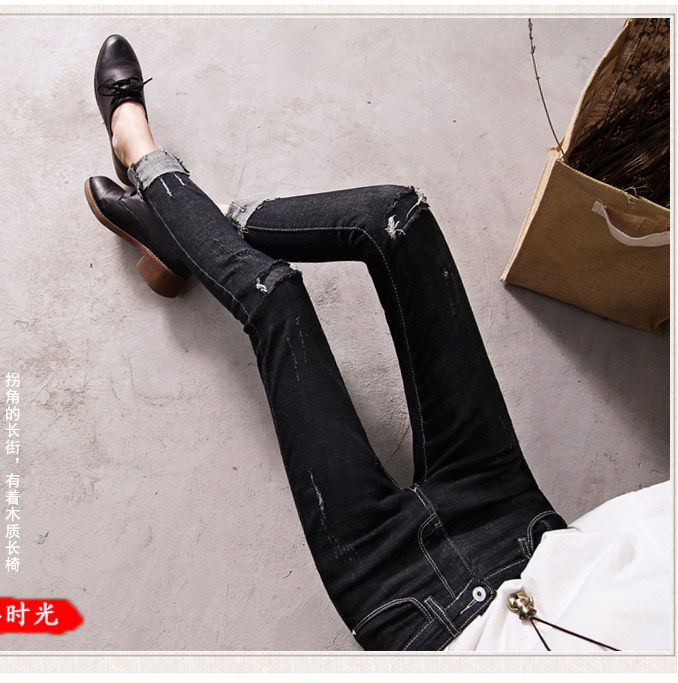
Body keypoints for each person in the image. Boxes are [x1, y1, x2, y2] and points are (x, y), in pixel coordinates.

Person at [85, 35, 670, 652]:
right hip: (511, 515)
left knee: (274, 298)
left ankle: (137, 146)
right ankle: (198, 222)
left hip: (407, 604)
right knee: (396, 217)